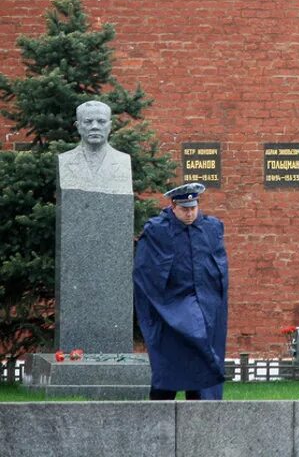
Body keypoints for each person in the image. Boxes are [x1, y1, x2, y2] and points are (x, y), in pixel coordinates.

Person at [133, 182, 229, 400]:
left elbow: (220, 268)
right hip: (170, 307)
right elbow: (146, 273)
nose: (190, 213)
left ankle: (202, 409)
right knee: (171, 358)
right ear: (173, 206)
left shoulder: (211, 228)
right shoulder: (158, 230)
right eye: (185, 209)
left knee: (202, 353)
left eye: (193, 208)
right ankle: (162, 406)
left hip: (206, 305)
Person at [57, 100, 132, 194]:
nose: (95, 126)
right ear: (78, 126)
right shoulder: (65, 160)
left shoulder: (122, 161)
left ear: (110, 126)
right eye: (88, 122)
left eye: (101, 121)